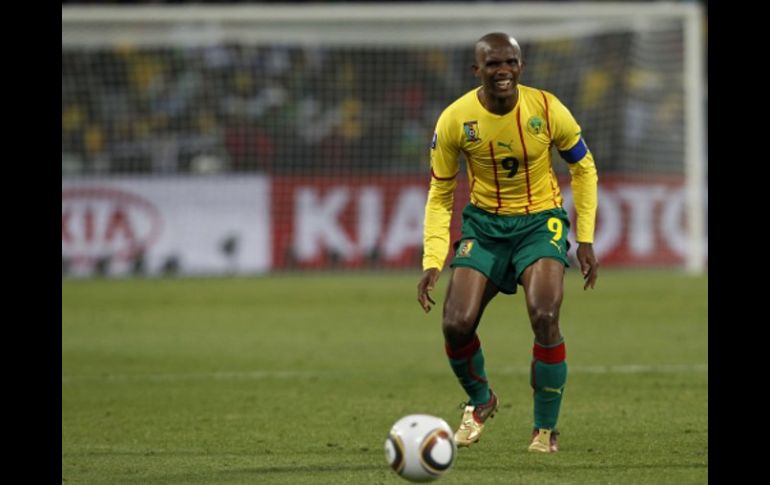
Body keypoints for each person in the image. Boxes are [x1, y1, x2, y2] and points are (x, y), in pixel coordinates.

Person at [416, 32, 599, 453]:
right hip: (483, 226)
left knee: (545, 312)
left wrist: (584, 237)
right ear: (476, 70)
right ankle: (481, 402)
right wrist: (432, 259)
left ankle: (544, 430)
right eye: (493, 64)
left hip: (540, 222)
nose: (503, 71)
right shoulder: (455, 120)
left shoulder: (548, 109)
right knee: (455, 323)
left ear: (521, 66)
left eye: (510, 63)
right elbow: (440, 193)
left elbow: (584, 168)